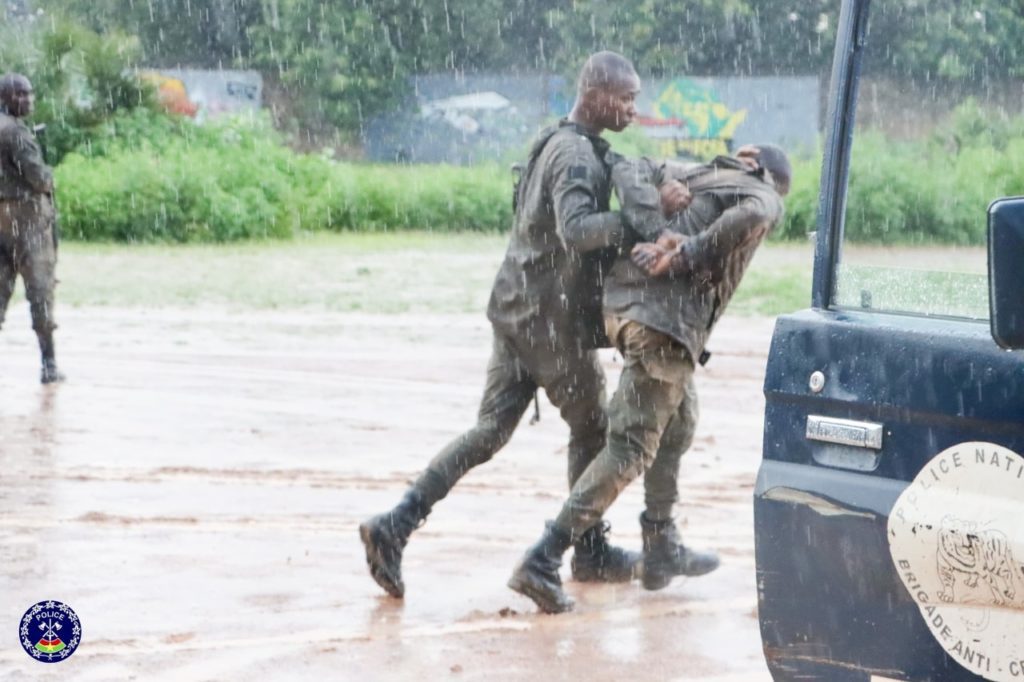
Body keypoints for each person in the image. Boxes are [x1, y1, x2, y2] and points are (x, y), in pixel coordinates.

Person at [360, 51, 668, 599]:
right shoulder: (576, 156)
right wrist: (638, 218)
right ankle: (584, 552)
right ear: (594, 94)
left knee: (488, 433)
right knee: (596, 431)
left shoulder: (555, 140)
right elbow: (576, 230)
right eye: (625, 98)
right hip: (549, 321)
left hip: (516, 306)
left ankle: (396, 524)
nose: (632, 108)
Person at [508, 144, 791, 613]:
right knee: (632, 446)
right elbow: (756, 213)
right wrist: (683, 255)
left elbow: (626, 162)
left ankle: (660, 542)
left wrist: (652, 203)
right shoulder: (760, 192)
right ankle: (543, 558)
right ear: (752, 161)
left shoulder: (690, 173)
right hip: (663, 323)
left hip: (624, 307)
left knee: (679, 422)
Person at [0, 73, 64, 384]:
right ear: (5, 98)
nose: (27, 100)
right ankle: (49, 364)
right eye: (20, 95)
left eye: (29, 94)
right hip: (28, 223)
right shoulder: (17, 134)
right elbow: (39, 178)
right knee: (40, 292)